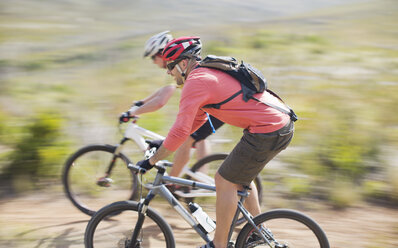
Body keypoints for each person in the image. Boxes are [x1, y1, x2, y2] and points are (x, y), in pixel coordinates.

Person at [136, 36, 295, 248]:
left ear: (183, 64)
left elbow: (182, 129)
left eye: (171, 66)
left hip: (267, 129)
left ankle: (218, 244)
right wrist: (163, 142)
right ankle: (258, 231)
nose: (168, 71)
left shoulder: (196, 81)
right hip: (276, 125)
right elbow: (195, 123)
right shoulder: (205, 74)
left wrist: (152, 161)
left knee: (224, 180)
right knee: (239, 179)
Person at [126, 31, 224, 177]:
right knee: (196, 138)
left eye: (153, 57)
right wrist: (141, 103)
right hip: (212, 104)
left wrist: (132, 113)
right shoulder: (176, 66)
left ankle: (173, 183)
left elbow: (160, 102)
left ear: (160, 54)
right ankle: (200, 178)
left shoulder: (176, 67)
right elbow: (162, 91)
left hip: (215, 105)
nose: (153, 62)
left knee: (186, 139)